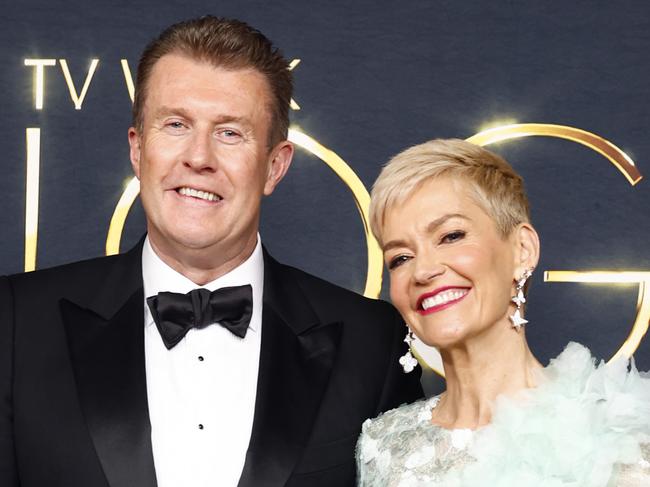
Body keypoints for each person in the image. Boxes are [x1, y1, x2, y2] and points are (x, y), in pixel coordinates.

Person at [0, 16, 422, 487]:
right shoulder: (17, 323)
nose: (198, 157)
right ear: (138, 151)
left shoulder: (372, 342)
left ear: (274, 167)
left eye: (230, 133)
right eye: (176, 124)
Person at [356, 139, 650, 486]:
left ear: (522, 250)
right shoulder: (383, 445)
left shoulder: (622, 436)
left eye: (451, 236)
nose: (422, 271)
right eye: (400, 258)